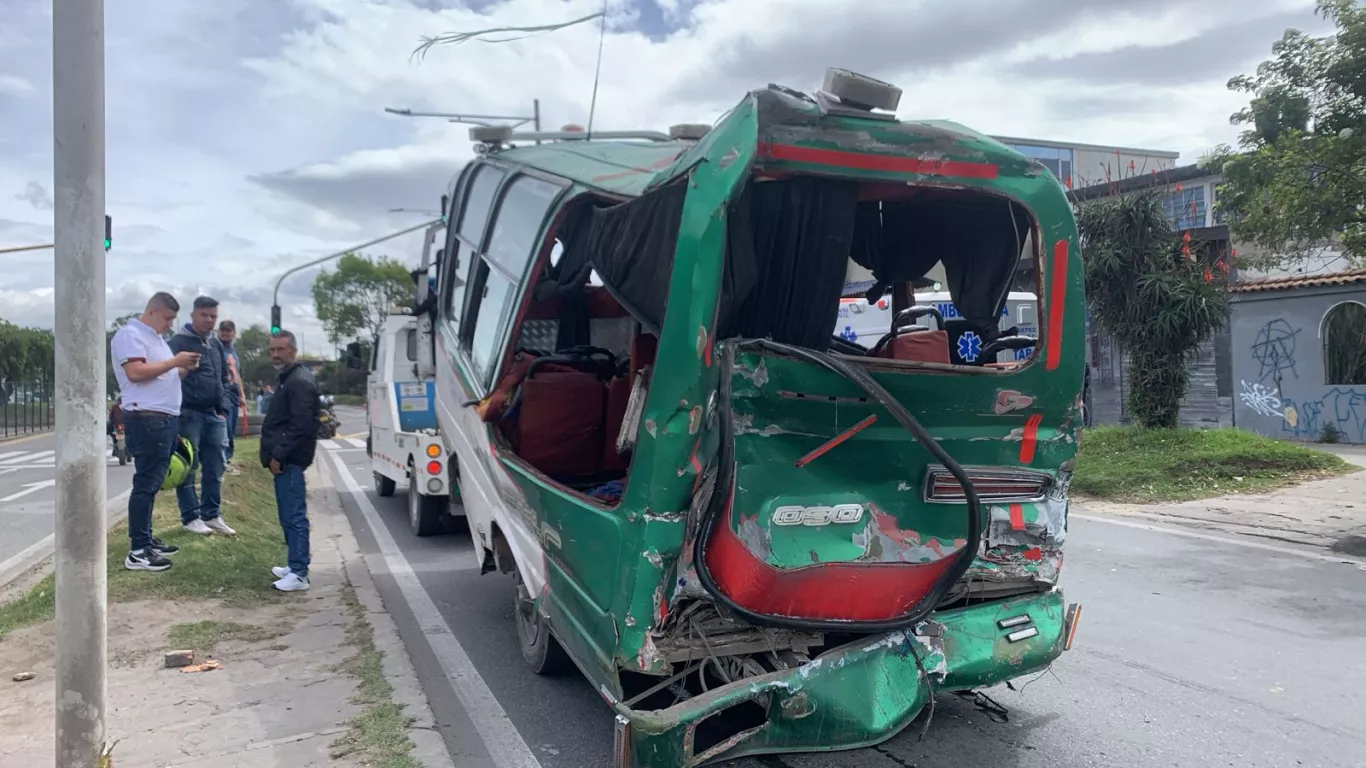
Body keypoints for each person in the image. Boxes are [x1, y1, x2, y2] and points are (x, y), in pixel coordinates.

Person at [110, 292, 200, 572]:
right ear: (152, 312)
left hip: (164, 418)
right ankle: (137, 550)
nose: (170, 325)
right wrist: (175, 362)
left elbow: (159, 374)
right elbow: (136, 373)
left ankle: (146, 540)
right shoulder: (130, 335)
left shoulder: (156, 340)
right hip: (147, 419)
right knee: (146, 484)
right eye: (167, 319)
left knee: (152, 483)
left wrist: (181, 368)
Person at [168, 296, 236, 536]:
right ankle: (190, 516)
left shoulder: (215, 344)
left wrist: (224, 407)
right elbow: (167, 377)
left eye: (213, 316)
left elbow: (224, 378)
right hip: (188, 414)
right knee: (189, 465)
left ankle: (212, 514)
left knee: (216, 465)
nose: (209, 320)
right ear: (193, 315)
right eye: (204, 315)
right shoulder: (177, 342)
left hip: (214, 414)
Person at [261, 329, 320, 592]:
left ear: (293, 350)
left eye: (280, 349)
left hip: (290, 459)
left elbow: (301, 425)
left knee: (295, 516)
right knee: (287, 514)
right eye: (272, 349)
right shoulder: (287, 378)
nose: (275, 354)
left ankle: (299, 573)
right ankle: (293, 564)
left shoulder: (298, 381)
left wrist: (279, 454)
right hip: (284, 459)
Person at [218, 320, 244, 475]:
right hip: (223, 392)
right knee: (225, 427)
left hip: (234, 394)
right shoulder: (216, 348)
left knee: (232, 428)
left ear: (234, 333)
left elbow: (237, 374)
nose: (225, 333)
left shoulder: (233, 351)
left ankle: (228, 457)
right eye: (223, 330)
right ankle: (222, 459)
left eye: (228, 331)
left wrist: (242, 395)